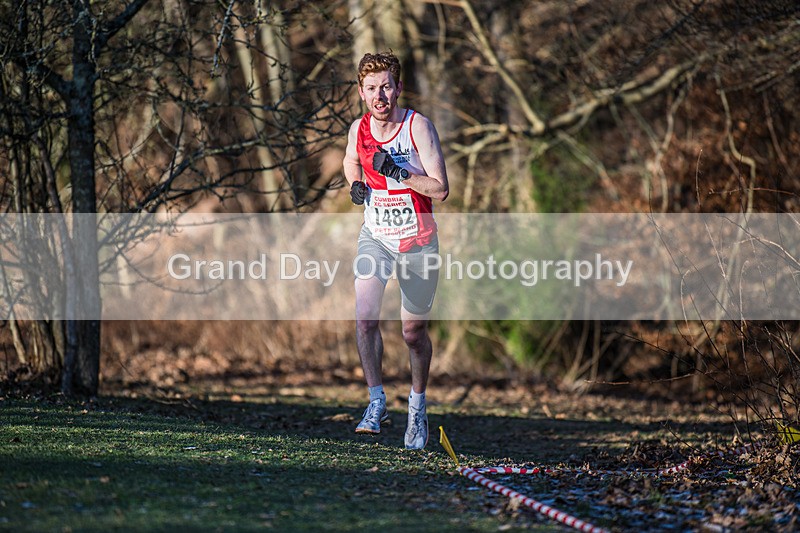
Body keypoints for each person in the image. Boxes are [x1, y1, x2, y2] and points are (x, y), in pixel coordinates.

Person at [342, 51, 449, 450]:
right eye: (371, 88)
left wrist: (399, 172)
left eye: (386, 87)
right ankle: (376, 402)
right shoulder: (359, 128)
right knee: (365, 317)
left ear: (398, 88)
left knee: (412, 333)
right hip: (376, 238)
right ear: (361, 92)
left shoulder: (417, 127)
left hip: (418, 242)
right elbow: (350, 160)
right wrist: (355, 183)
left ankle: (417, 406)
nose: (379, 96)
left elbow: (441, 188)